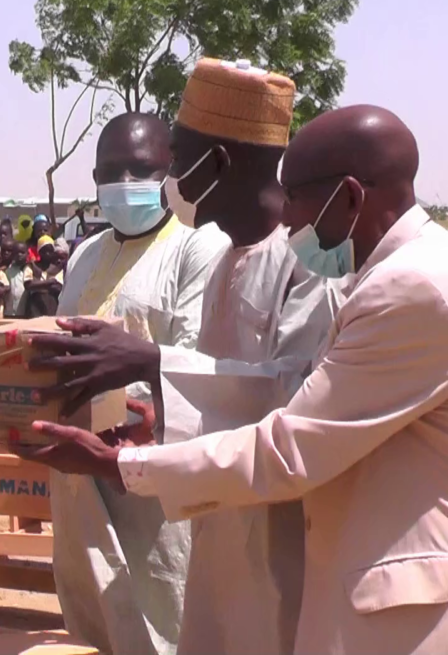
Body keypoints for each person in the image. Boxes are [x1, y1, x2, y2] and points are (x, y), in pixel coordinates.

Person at [20, 104, 448, 655]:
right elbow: (296, 391)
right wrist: (168, 412)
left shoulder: (410, 287)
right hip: (275, 539)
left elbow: (291, 442)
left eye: (294, 196)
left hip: (377, 599)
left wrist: (121, 464)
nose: (287, 217)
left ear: (348, 197)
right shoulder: (389, 271)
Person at [23, 58, 335, 655]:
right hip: (210, 517)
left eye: (178, 156)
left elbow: (293, 401)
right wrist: (157, 421)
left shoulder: (306, 267)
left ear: (214, 164)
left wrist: (148, 364)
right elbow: (210, 402)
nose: (167, 178)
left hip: (280, 535)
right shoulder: (225, 264)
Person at [47, 112, 227, 655]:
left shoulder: (198, 248)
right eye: (111, 172)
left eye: (140, 169)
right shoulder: (84, 254)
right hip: (77, 476)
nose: (124, 184)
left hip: (149, 478)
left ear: (169, 170)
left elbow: (194, 363)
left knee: (161, 617)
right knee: (89, 615)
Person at [24, 236, 64, 317]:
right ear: (39, 252)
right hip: (35, 304)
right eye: (44, 251)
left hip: (53, 303)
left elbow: (59, 288)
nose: (47, 254)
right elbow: (28, 285)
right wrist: (49, 282)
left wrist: (38, 284)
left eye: (50, 251)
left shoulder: (58, 268)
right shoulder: (32, 266)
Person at [3, 240, 33, 318]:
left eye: (22, 253)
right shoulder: (7, 271)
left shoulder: (29, 269)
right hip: (8, 312)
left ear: (27, 254)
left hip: (24, 312)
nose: (19, 255)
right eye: (16, 253)